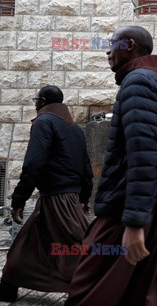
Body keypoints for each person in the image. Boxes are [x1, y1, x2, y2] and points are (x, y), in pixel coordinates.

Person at [65, 26, 157, 306]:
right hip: (152, 206)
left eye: (112, 44)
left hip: (128, 209)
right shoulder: (150, 80)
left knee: (90, 285)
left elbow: (143, 153)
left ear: (129, 45)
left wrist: (134, 221)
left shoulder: (138, 82)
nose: (107, 51)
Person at [0, 85, 93, 302]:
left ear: (41, 101)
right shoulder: (75, 129)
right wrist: (84, 198)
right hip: (64, 197)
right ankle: (8, 287)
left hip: (57, 199)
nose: (34, 105)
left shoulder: (44, 122)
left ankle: (91, 288)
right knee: (26, 243)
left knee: (76, 248)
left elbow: (33, 164)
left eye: (35, 101)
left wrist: (19, 200)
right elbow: (86, 168)